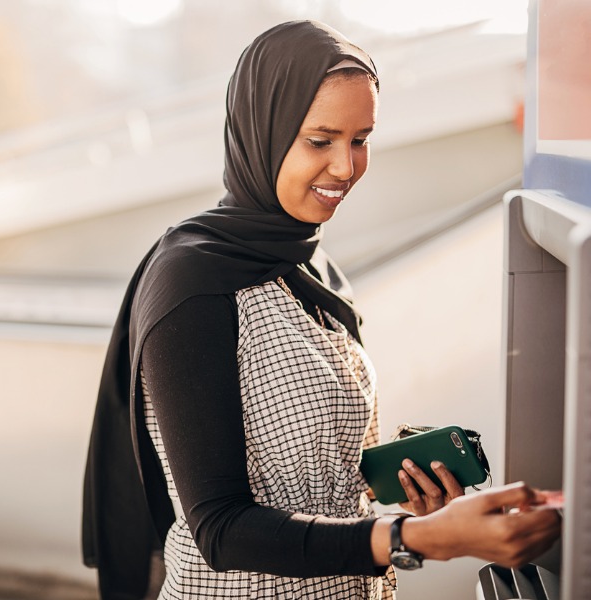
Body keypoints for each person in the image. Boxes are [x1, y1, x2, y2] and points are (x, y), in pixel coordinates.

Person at [82, 20, 561, 600]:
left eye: (361, 139)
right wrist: (417, 538)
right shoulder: (193, 282)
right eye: (320, 140)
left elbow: (308, 472)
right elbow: (220, 528)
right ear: (262, 128)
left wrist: (396, 484)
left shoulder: (312, 266)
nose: (345, 167)